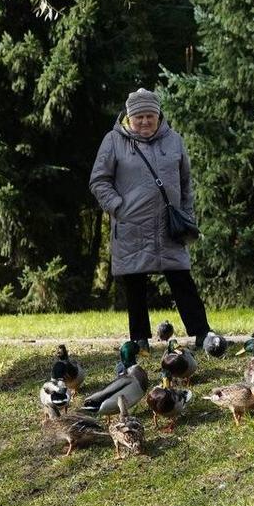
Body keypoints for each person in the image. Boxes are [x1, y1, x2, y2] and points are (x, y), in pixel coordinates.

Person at [89, 88, 211, 351]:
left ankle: (203, 333)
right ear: (129, 117)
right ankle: (139, 339)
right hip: (131, 226)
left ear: (158, 116)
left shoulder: (174, 140)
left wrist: (187, 215)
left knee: (181, 279)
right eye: (139, 117)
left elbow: (186, 183)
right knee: (135, 284)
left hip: (169, 226)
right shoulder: (113, 141)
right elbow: (99, 181)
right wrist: (118, 207)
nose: (145, 121)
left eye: (150, 116)